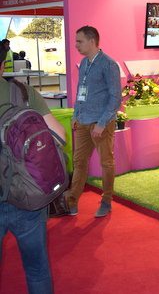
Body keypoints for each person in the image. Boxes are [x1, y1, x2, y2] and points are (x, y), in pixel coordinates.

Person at [0, 45, 66, 294]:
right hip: (26, 194)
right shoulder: (22, 92)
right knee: (37, 268)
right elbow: (60, 136)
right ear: (3, 65)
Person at [65, 26, 121, 218]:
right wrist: (76, 114)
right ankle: (72, 201)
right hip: (83, 121)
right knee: (79, 162)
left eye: (79, 41)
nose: (76, 45)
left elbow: (115, 97)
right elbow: (80, 91)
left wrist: (102, 123)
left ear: (91, 41)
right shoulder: (84, 63)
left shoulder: (109, 64)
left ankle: (106, 201)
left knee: (106, 163)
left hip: (101, 124)